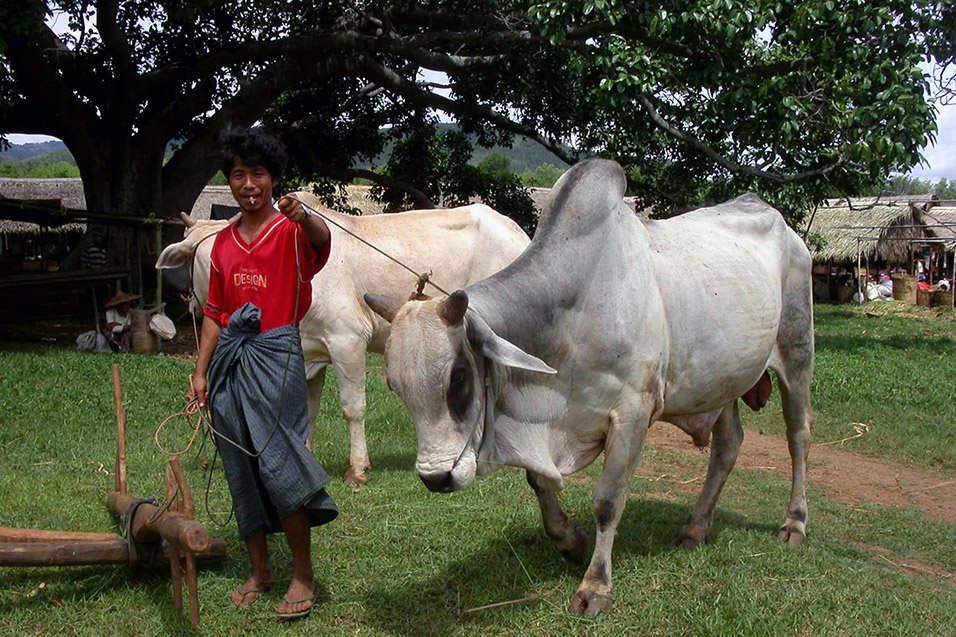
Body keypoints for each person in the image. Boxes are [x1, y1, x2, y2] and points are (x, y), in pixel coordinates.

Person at [188, 127, 337, 621]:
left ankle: (301, 573)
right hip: (230, 359)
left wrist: (308, 215)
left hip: (277, 355)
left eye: (257, 174)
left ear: (273, 179)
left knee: (281, 461)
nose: (248, 183)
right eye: (238, 175)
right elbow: (214, 312)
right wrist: (201, 372)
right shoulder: (222, 244)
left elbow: (323, 241)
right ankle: (259, 569)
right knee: (239, 465)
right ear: (228, 181)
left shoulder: (293, 231)